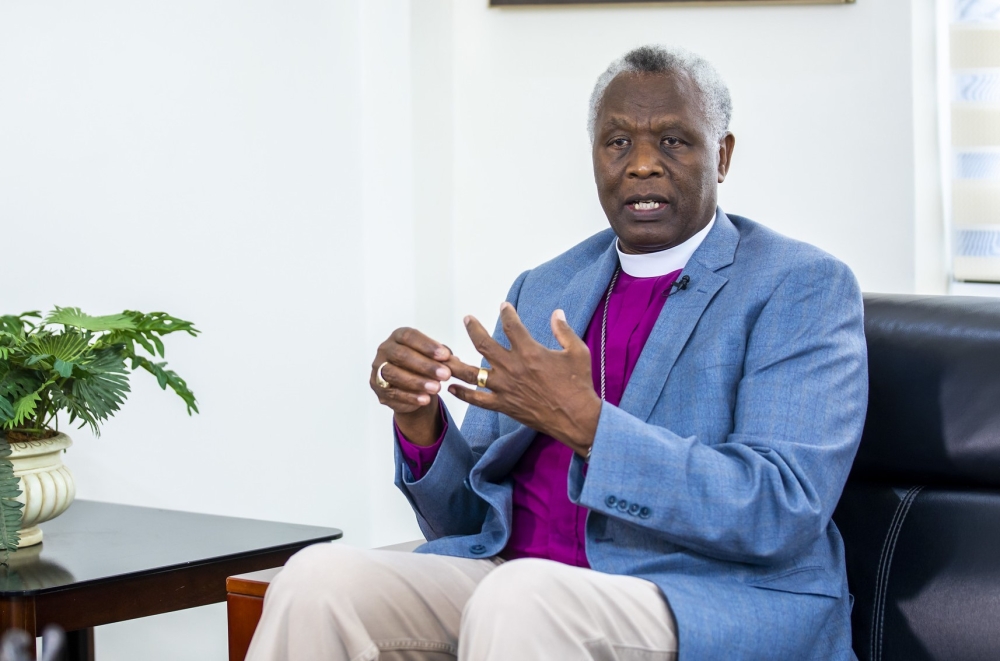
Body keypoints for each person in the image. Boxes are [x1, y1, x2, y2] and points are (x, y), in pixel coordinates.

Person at [247, 45, 867, 661]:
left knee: (518, 598)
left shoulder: (797, 285)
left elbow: (783, 508)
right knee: (315, 579)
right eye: (617, 142)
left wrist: (592, 428)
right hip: (516, 580)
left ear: (722, 154)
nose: (642, 164)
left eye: (674, 141)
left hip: (698, 595)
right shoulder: (543, 288)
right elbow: (469, 523)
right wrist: (421, 423)